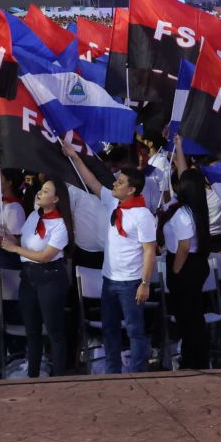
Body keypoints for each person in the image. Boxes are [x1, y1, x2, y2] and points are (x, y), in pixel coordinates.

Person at [65, 144, 157, 374]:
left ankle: (137, 372)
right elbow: (92, 182)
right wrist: (75, 157)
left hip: (131, 282)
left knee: (135, 330)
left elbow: (149, 251)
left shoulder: (143, 215)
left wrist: (145, 283)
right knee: (109, 328)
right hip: (109, 279)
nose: (114, 183)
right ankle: (112, 372)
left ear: (132, 189)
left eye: (120, 182)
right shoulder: (114, 203)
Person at [1, 178, 71, 377]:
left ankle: (58, 377)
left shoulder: (60, 224)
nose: (40, 193)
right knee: (31, 331)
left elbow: (45, 256)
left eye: (46, 191)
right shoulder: (33, 215)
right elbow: (26, 243)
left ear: (56, 199)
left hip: (50, 276)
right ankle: (33, 375)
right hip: (28, 277)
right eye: (41, 189)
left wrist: (15, 248)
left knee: (54, 331)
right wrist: (10, 237)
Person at [159, 153, 211, 370]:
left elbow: (183, 247)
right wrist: (179, 148)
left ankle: (193, 361)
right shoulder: (196, 208)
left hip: (184, 266)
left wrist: (176, 270)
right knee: (193, 316)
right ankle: (197, 358)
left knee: (187, 318)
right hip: (197, 264)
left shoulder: (182, 213)